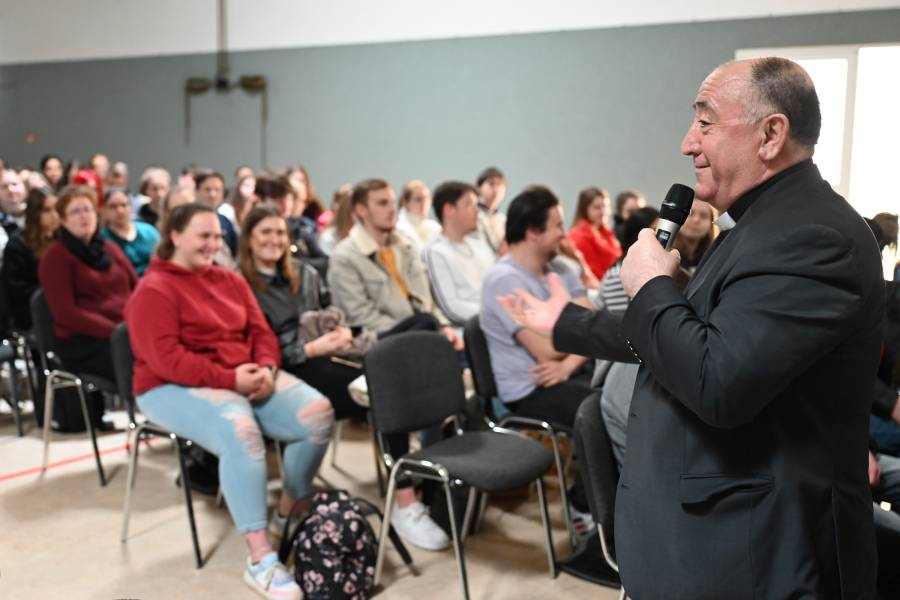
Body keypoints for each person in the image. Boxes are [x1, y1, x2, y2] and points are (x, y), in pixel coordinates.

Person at [502, 58, 884, 598]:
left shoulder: (814, 237)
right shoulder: (763, 224)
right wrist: (568, 322)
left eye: (705, 123)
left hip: (761, 551)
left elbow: (716, 380)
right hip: (719, 535)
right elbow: (689, 337)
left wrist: (651, 287)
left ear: (771, 134)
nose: (687, 143)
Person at [126, 203, 333, 600]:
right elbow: (167, 360)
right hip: (166, 386)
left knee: (317, 414)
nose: (212, 245)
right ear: (175, 236)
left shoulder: (229, 280)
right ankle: (260, 559)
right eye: (203, 236)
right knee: (240, 430)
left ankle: (287, 512)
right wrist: (230, 379)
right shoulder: (154, 289)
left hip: (243, 375)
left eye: (218, 237)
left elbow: (260, 331)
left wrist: (269, 368)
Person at [238, 204, 365, 420]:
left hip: (327, 353)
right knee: (370, 388)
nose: (275, 239)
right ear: (249, 238)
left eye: (280, 233)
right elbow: (255, 345)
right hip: (283, 367)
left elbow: (329, 312)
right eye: (266, 232)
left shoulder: (306, 273)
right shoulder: (238, 284)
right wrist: (310, 350)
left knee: (384, 370)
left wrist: (342, 331)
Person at [38, 184, 137, 427]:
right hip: (83, 342)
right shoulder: (56, 257)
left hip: (124, 332)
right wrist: (118, 332)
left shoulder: (109, 248)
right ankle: (150, 421)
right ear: (62, 220)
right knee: (143, 361)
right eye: (76, 211)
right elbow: (67, 314)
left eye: (89, 209)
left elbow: (138, 288)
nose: (84, 215)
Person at [327, 178, 461, 346]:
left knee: (463, 341)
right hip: (383, 342)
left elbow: (428, 300)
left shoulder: (406, 246)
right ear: (361, 210)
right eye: (383, 204)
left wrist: (444, 325)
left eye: (392, 203)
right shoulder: (345, 256)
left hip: (424, 331)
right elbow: (359, 316)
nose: (392, 210)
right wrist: (418, 333)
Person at [422, 181, 494, 328]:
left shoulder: (481, 246)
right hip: (469, 332)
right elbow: (451, 308)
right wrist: (498, 316)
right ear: (449, 210)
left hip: (497, 322)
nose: (477, 211)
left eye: (476, 205)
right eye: (469, 205)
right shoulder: (435, 251)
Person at [1, 188, 60, 330]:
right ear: (35, 213)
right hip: (33, 315)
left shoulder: (64, 240)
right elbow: (18, 290)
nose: (54, 215)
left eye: (57, 209)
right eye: (47, 210)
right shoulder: (18, 244)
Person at [100, 188, 160, 276]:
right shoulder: (102, 239)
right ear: (105, 210)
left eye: (124, 205)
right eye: (113, 206)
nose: (119, 210)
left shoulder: (149, 231)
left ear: (131, 207)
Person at [568, 186, 621, 280]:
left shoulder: (606, 233)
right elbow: (593, 273)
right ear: (585, 210)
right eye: (597, 207)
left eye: (606, 206)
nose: (603, 211)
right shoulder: (579, 236)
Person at [672, 198, 716, 273]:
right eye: (690, 214)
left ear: (710, 226)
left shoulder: (712, 259)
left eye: (703, 216)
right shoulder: (665, 252)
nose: (696, 220)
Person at [395, 179, 441, 249]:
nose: (424, 204)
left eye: (427, 198)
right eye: (418, 199)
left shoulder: (435, 228)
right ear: (405, 202)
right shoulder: (397, 229)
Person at [473, 166, 508, 255]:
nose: (496, 190)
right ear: (478, 188)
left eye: (500, 185)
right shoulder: (472, 216)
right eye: (491, 184)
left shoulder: (504, 220)